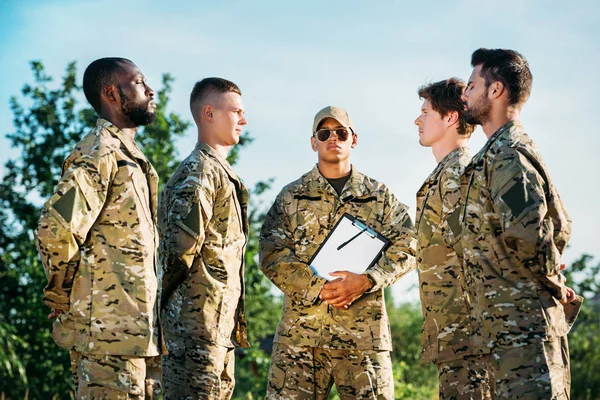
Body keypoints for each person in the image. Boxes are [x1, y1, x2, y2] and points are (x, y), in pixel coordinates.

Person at [259, 105, 416, 399]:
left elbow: (410, 245)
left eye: (341, 132)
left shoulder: (379, 196)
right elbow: (271, 254)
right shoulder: (291, 196)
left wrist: (368, 280)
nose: (333, 138)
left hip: (363, 338)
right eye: (324, 132)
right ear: (313, 141)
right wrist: (319, 288)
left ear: (353, 139)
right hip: (301, 339)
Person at [36, 57, 163, 399]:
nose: (151, 90)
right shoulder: (100, 152)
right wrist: (62, 294)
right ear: (111, 92)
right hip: (106, 338)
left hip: (138, 338)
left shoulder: (130, 156)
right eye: (139, 83)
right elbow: (56, 228)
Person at [461, 48, 577, 398]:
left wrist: (554, 283)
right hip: (503, 333)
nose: (464, 94)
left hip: (525, 334)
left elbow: (530, 234)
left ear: (495, 91)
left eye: (471, 85)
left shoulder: (508, 154)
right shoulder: (495, 153)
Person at [158, 77, 249, 399]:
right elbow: (178, 251)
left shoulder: (220, 172)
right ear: (209, 113)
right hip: (193, 331)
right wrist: (162, 310)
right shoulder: (199, 172)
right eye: (236, 111)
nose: (243, 119)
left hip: (216, 330)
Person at [414, 78, 492, 399]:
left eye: (425, 112)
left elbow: (476, 254)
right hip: (453, 336)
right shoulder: (444, 174)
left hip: (467, 339)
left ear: (450, 118)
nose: (417, 120)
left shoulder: (458, 174)